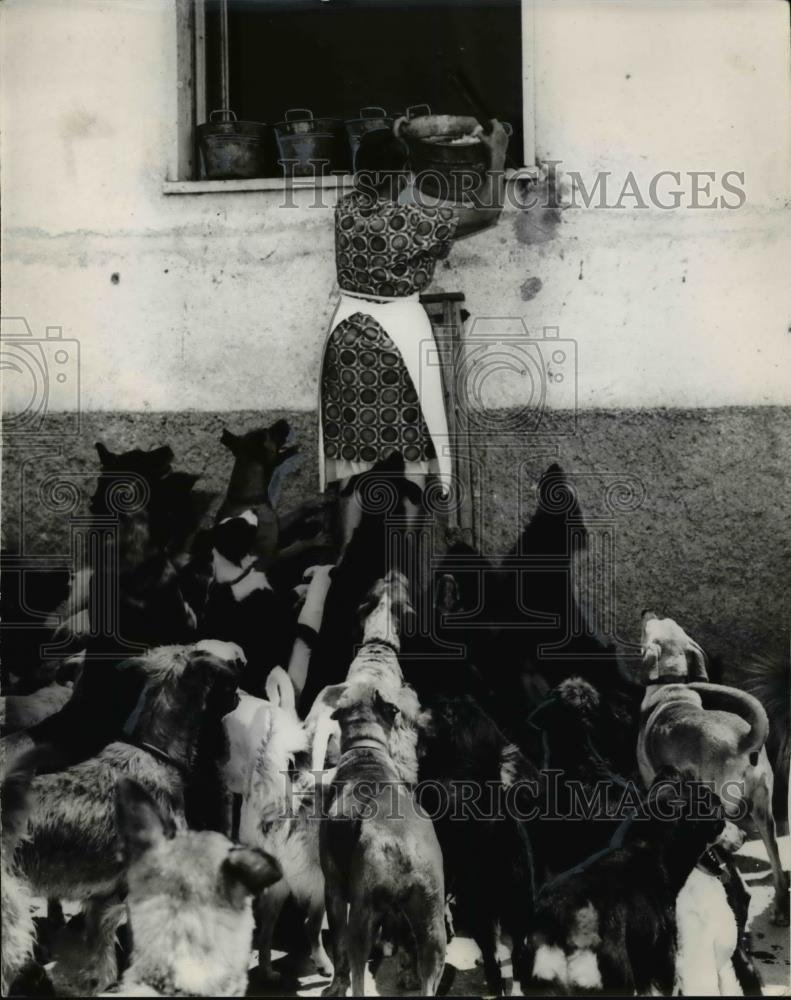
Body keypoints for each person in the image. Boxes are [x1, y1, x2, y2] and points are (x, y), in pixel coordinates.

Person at [319, 118, 510, 549]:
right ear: (405, 175)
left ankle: (349, 569)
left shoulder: (346, 210)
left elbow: (385, 176)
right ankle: (400, 573)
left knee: (354, 467)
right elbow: (487, 213)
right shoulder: (411, 221)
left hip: (347, 339)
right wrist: (496, 152)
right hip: (394, 345)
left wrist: (401, 136)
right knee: (411, 463)